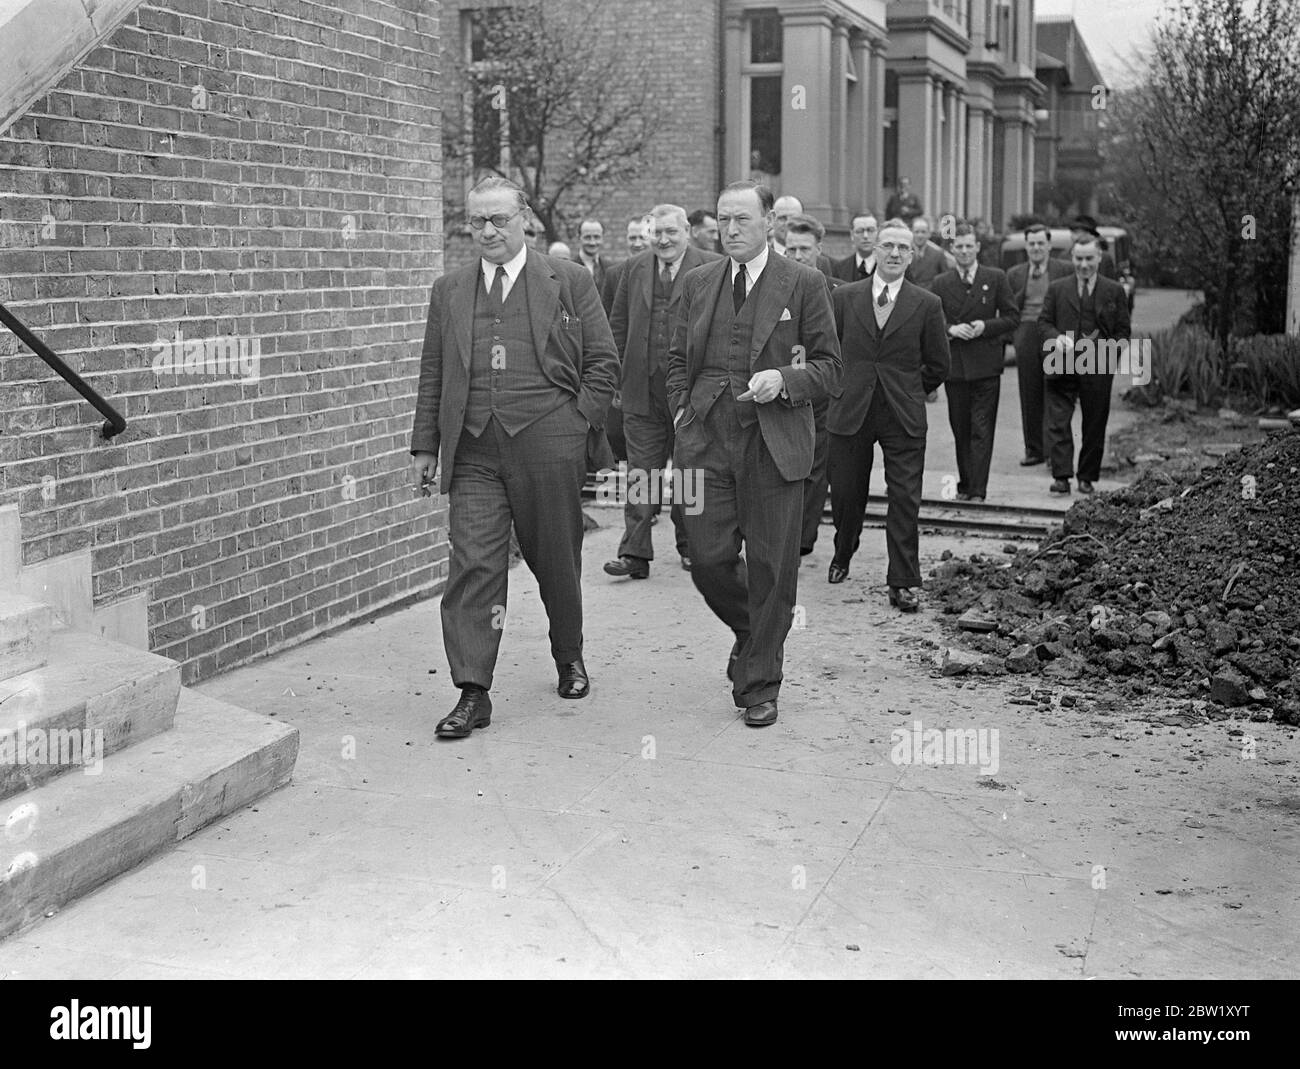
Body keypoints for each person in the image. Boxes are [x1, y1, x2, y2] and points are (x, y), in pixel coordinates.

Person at [410, 177, 619, 738]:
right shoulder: (449, 290)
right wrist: (426, 444)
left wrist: (577, 425)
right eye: (477, 220)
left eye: (499, 219)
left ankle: (569, 655)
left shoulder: (569, 280)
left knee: (556, 559)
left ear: (524, 218)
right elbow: (434, 372)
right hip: (475, 449)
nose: (487, 231)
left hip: (549, 445)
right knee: (473, 564)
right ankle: (472, 691)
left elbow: (603, 362)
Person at [666, 180, 840, 727]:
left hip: (774, 444)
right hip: (706, 441)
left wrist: (785, 379)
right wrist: (682, 412)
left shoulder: (805, 283)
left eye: (742, 219)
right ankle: (752, 630)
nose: (731, 229)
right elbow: (677, 360)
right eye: (723, 219)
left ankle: (760, 682)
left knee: (771, 568)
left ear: (770, 223)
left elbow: (831, 369)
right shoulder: (698, 282)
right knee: (706, 556)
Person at [826, 220, 949, 611]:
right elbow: (829, 352)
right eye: (888, 246)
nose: (895, 253)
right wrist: (844, 387)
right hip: (851, 409)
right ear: (875, 250)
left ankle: (902, 580)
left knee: (905, 498)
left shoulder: (927, 304)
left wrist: (909, 389)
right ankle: (844, 549)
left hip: (902, 413)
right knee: (845, 493)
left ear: (912, 256)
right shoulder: (845, 297)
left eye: (903, 248)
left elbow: (939, 364)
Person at [604, 205, 721, 579]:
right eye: (657, 232)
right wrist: (616, 379)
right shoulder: (633, 268)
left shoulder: (711, 266)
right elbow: (617, 326)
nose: (664, 239)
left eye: (672, 232)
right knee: (641, 472)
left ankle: (691, 547)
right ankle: (634, 553)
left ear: (687, 231)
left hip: (690, 392)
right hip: (642, 389)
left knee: (689, 472)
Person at [931, 224, 1019, 502]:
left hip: (985, 365)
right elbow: (933, 319)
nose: (965, 251)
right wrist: (950, 329)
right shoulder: (941, 282)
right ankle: (966, 484)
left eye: (969, 246)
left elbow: (1012, 317)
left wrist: (985, 326)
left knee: (982, 429)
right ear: (952, 249)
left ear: (978, 248)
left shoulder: (995, 277)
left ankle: (978, 489)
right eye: (959, 246)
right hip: (956, 366)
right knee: (961, 428)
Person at [1038, 234, 1132, 495]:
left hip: (1097, 365)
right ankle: (1061, 476)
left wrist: (1108, 356)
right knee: (1057, 421)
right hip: (1061, 362)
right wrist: (1056, 338)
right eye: (1078, 259)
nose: (1083, 265)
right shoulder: (1057, 288)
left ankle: (1087, 477)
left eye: (1089, 258)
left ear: (1099, 257)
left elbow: (1123, 332)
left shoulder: (1114, 291)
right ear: (1072, 258)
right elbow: (1043, 323)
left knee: (1094, 422)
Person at [782, 213, 841, 556]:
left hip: (819, 394)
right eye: (791, 249)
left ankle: (802, 541)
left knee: (815, 469)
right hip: (779, 388)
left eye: (804, 249)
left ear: (819, 248)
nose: (797, 255)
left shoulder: (837, 292)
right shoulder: (770, 289)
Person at [1007, 224, 1073, 466]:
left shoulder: (1064, 269)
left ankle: (1054, 452)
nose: (1036, 248)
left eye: (1040, 243)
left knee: (1055, 392)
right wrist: (1014, 335)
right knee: (1029, 391)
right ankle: (1034, 449)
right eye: (1031, 243)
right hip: (1026, 332)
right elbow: (1009, 307)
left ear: (1049, 245)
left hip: (1054, 332)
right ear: (1026, 246)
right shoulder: (1015, 274)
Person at [770, 194, 834, 274]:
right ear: (771, 220)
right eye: (782, 218)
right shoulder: (762, 257)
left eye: (794, 218)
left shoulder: (825, 263)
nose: (787, 223)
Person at [1057, 215, 1118, 280]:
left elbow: (1110, 282)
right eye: (1073, 232)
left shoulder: (1104, 258)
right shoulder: (1065, 256)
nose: (1073, 237)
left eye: (1077, 232)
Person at [904, 217, 955, 289]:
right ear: (911, 233)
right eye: (917, 232)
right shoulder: (905, 253)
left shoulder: (938, 254)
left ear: (929, 234)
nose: (920, 235)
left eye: (923, 232)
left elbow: (944, 280)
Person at [832, 212, 878, 283]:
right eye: (860, 231)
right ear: (852, 235)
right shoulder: (839, 269)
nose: (865, 236)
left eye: (870, 230)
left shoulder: (887, 267)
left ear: (877, 233)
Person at [572, 218, 611, 292]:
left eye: (596, 237)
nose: (592, 242)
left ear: (602, 238)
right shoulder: (570, 268)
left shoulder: (611, 269)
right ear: (578, 238)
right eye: (587, 237)